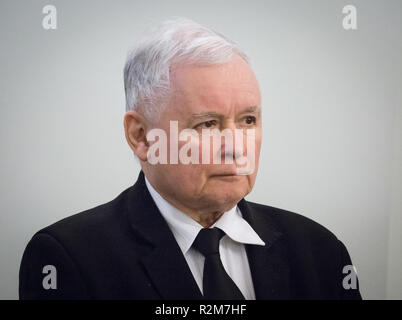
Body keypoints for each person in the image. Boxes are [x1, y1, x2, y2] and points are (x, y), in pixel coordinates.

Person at [19, 17, 362, 300]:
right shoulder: (67, 258)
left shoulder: (321, 251)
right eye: (208, 124)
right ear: (141, 136)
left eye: (247, 120)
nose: (235, 148)